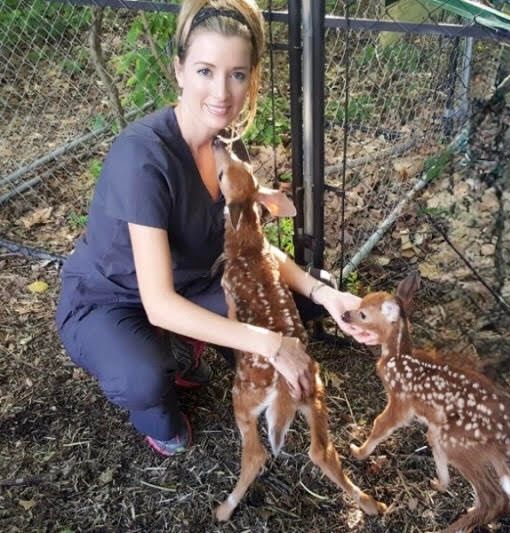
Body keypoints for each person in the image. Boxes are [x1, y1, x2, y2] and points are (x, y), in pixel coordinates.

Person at [56, 0, 375, 457]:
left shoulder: (225, 145)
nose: (222, 92)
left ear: (251, 80)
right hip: (111, 300)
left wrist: (326, 294)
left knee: (308, 297)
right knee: (144, 380)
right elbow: (159, 302)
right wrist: (271, 343)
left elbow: (251, 249)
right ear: (179, 70)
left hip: (189, 284)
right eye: (206, 70)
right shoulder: (142, 157)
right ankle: (162, 398)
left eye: (237, 74)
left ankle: (187, 345)